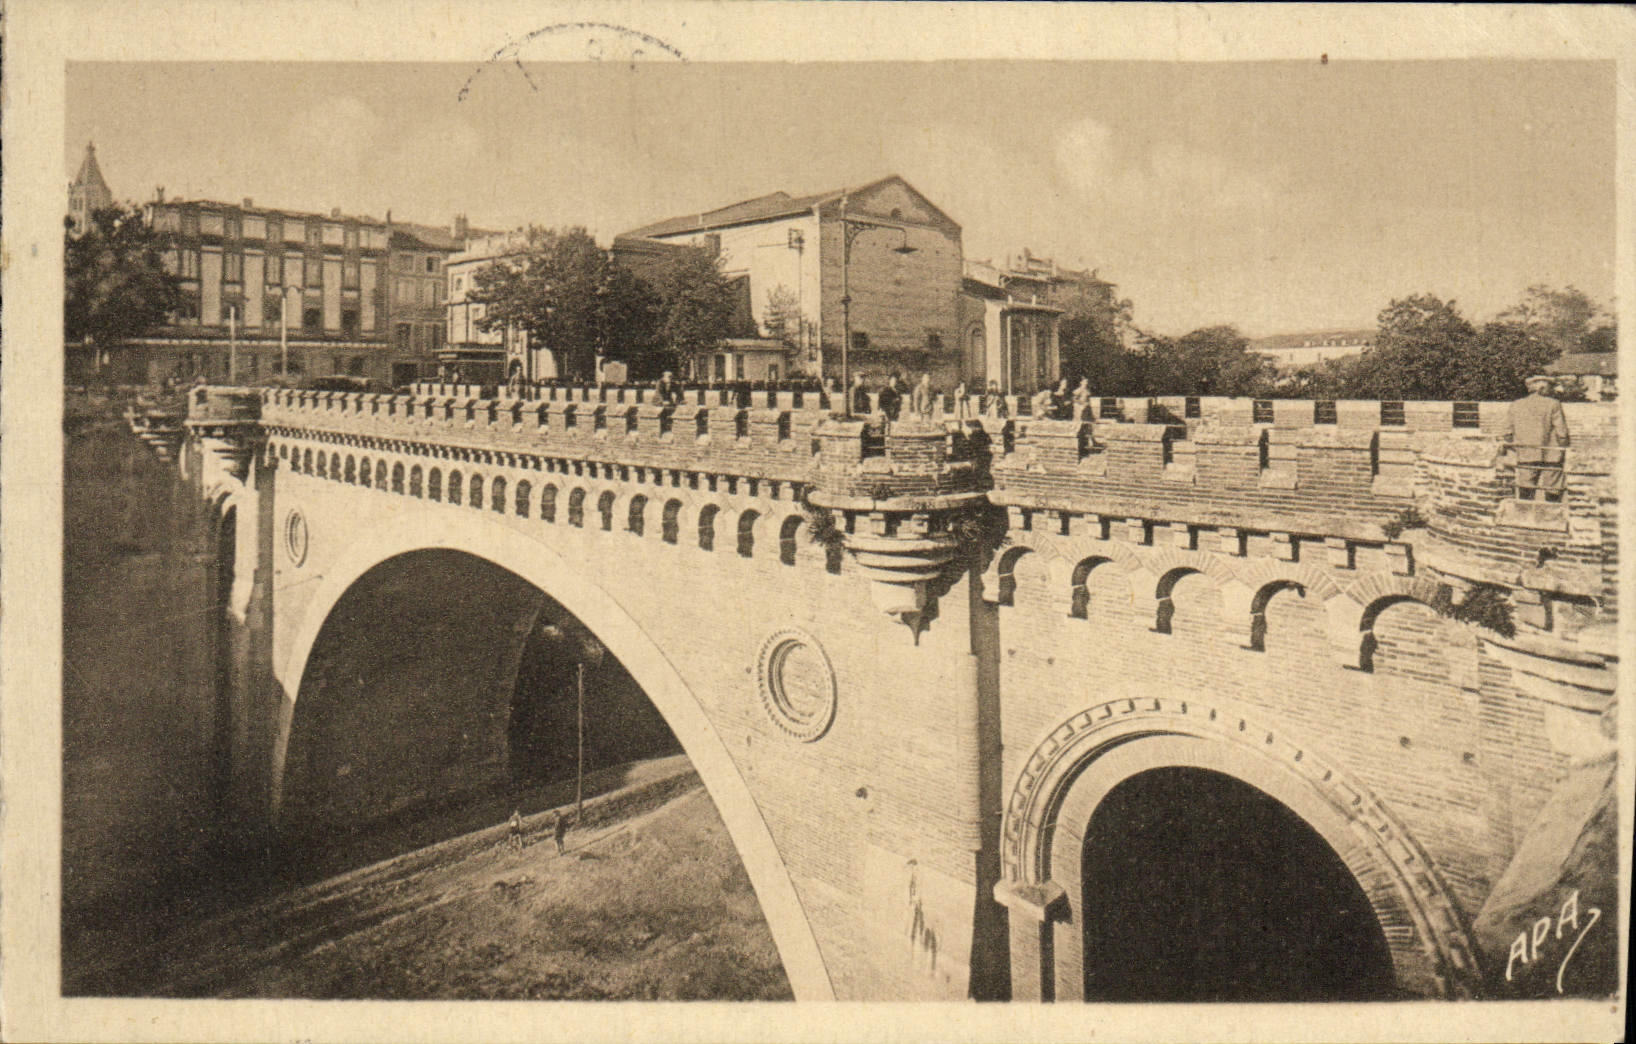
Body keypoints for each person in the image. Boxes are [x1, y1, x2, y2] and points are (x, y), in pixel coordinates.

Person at [1506, 375, 1570, 501]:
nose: (1551, 390)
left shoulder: (1516, 405)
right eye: (1549, 387)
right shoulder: (1553, 404)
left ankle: (1525, 515)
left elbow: (1507, 433)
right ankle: (1551, 516)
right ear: (1542, 388)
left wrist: (1518, 447)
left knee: (1526, 488)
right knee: (1553, 488)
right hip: (1551, 454)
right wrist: (1564, 447)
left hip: (1526, 453)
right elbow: (1561, 432)